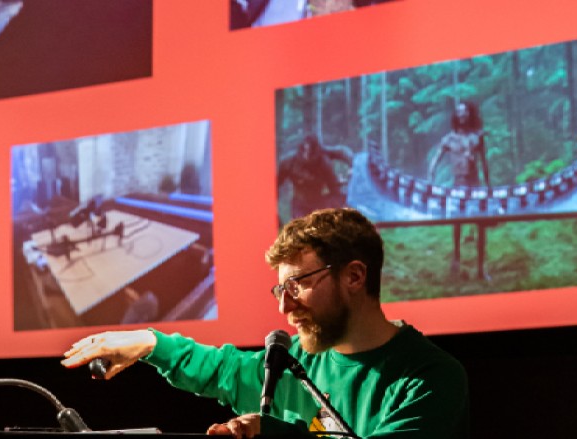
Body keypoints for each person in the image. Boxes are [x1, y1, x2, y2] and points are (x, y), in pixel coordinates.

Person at [62, 208, 469, 438]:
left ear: (354, 277)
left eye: (298, 285)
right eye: (280, 290)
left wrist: (277, 436)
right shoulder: (294, 363)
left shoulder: (431, 380)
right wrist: (149, 342)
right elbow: (222, 369)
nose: (285, 308)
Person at [427, 100, 492, 281]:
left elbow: (484, 162)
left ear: (469, 114)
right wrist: (431, 173)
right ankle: (456, 260)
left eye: (465, 112)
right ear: (456, 116)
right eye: (459, 112)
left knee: (480, 225)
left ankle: (480, 268)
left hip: (475, 184)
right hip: (458, 184)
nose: (462, 115)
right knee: (457, 223)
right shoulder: (449, 139)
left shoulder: (476, 137)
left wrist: (488, 186)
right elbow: (436, 157)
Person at [277, 134, 354, 222]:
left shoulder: (324, 163)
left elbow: (334, 190)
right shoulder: (289, 162)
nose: (307, 155)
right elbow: (275, 185)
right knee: (301, 228)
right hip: (300, 204)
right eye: (305, 151)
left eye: (310, 152)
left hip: (319, 202)